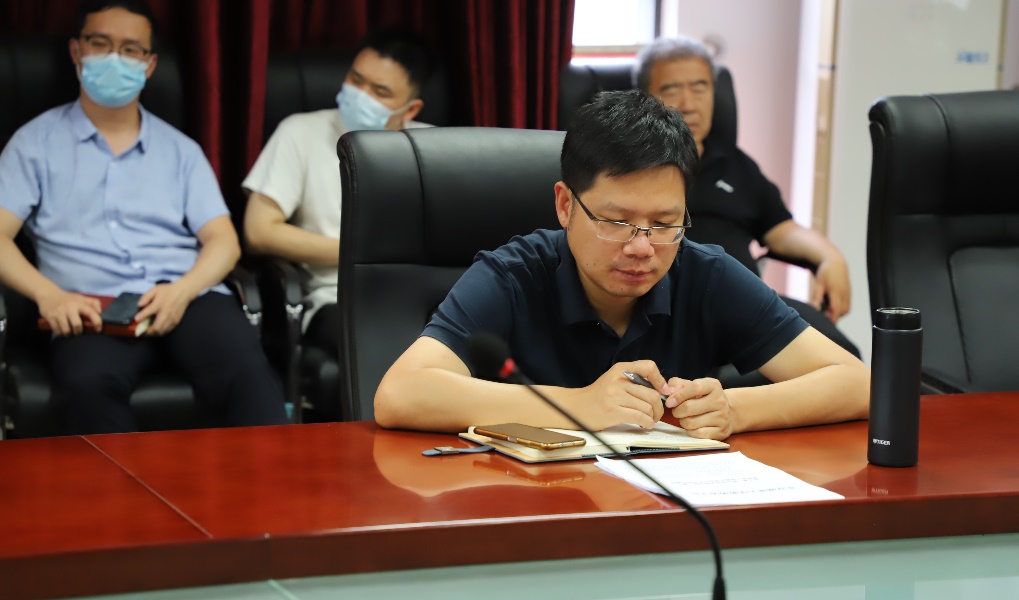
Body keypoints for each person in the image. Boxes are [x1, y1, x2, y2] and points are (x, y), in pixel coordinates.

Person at [374, 90, 869, 439]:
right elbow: (400, 393)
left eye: (665, 223)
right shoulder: (514, 275)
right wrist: (581, 405)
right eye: (616, 221)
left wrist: (734, 409)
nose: (642, 247)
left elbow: (858, 383)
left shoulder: (705, 273)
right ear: (565, 205)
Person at [0, 0, 289, 434]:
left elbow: (223, 240)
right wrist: (49, 296)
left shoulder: (181, 151)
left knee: (249, 373)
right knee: (88, 384)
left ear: (150, 65)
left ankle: (273, 480)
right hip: (90, 308)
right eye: (101, 43)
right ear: (77, 51)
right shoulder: (33, 143)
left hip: (185, 296)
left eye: (131, 49)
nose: (115, 58)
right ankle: (124, 485)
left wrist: (183, 290)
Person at [634, 36, 855, 341]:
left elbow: (781, 229)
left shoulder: (735, 163)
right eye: (671, 89)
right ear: (645, 98)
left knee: (839, 350)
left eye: (699, 88)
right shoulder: (630, 169)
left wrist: (831, 257)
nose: (689, 104)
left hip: (746, 308)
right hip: (666, 311)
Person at [242, 27, 434, 355]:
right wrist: (358, 252)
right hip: (337, 297)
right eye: (356, 80)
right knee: (395, 350)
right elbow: (258, 231)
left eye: (380, 92)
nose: (361, 95)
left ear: (411, 109)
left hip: (424, 297)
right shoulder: (300, 132)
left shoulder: (434, 148)